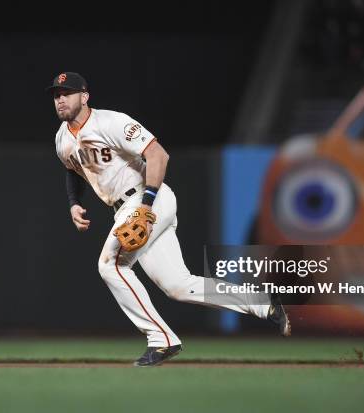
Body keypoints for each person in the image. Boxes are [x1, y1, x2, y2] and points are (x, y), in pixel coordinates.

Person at [48, 72, 291, 367]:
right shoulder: (63, 138)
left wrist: (146, 208)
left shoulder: (110, 122)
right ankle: (263, 304)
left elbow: (158, 155)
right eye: (57, 94)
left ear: (84, 97)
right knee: (178, 284)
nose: (60, 99)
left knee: (109, 264)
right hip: (126, 207)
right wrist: (74, 204)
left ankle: (160, 339)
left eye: (67, 92)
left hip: (147, 197)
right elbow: (73, 171)